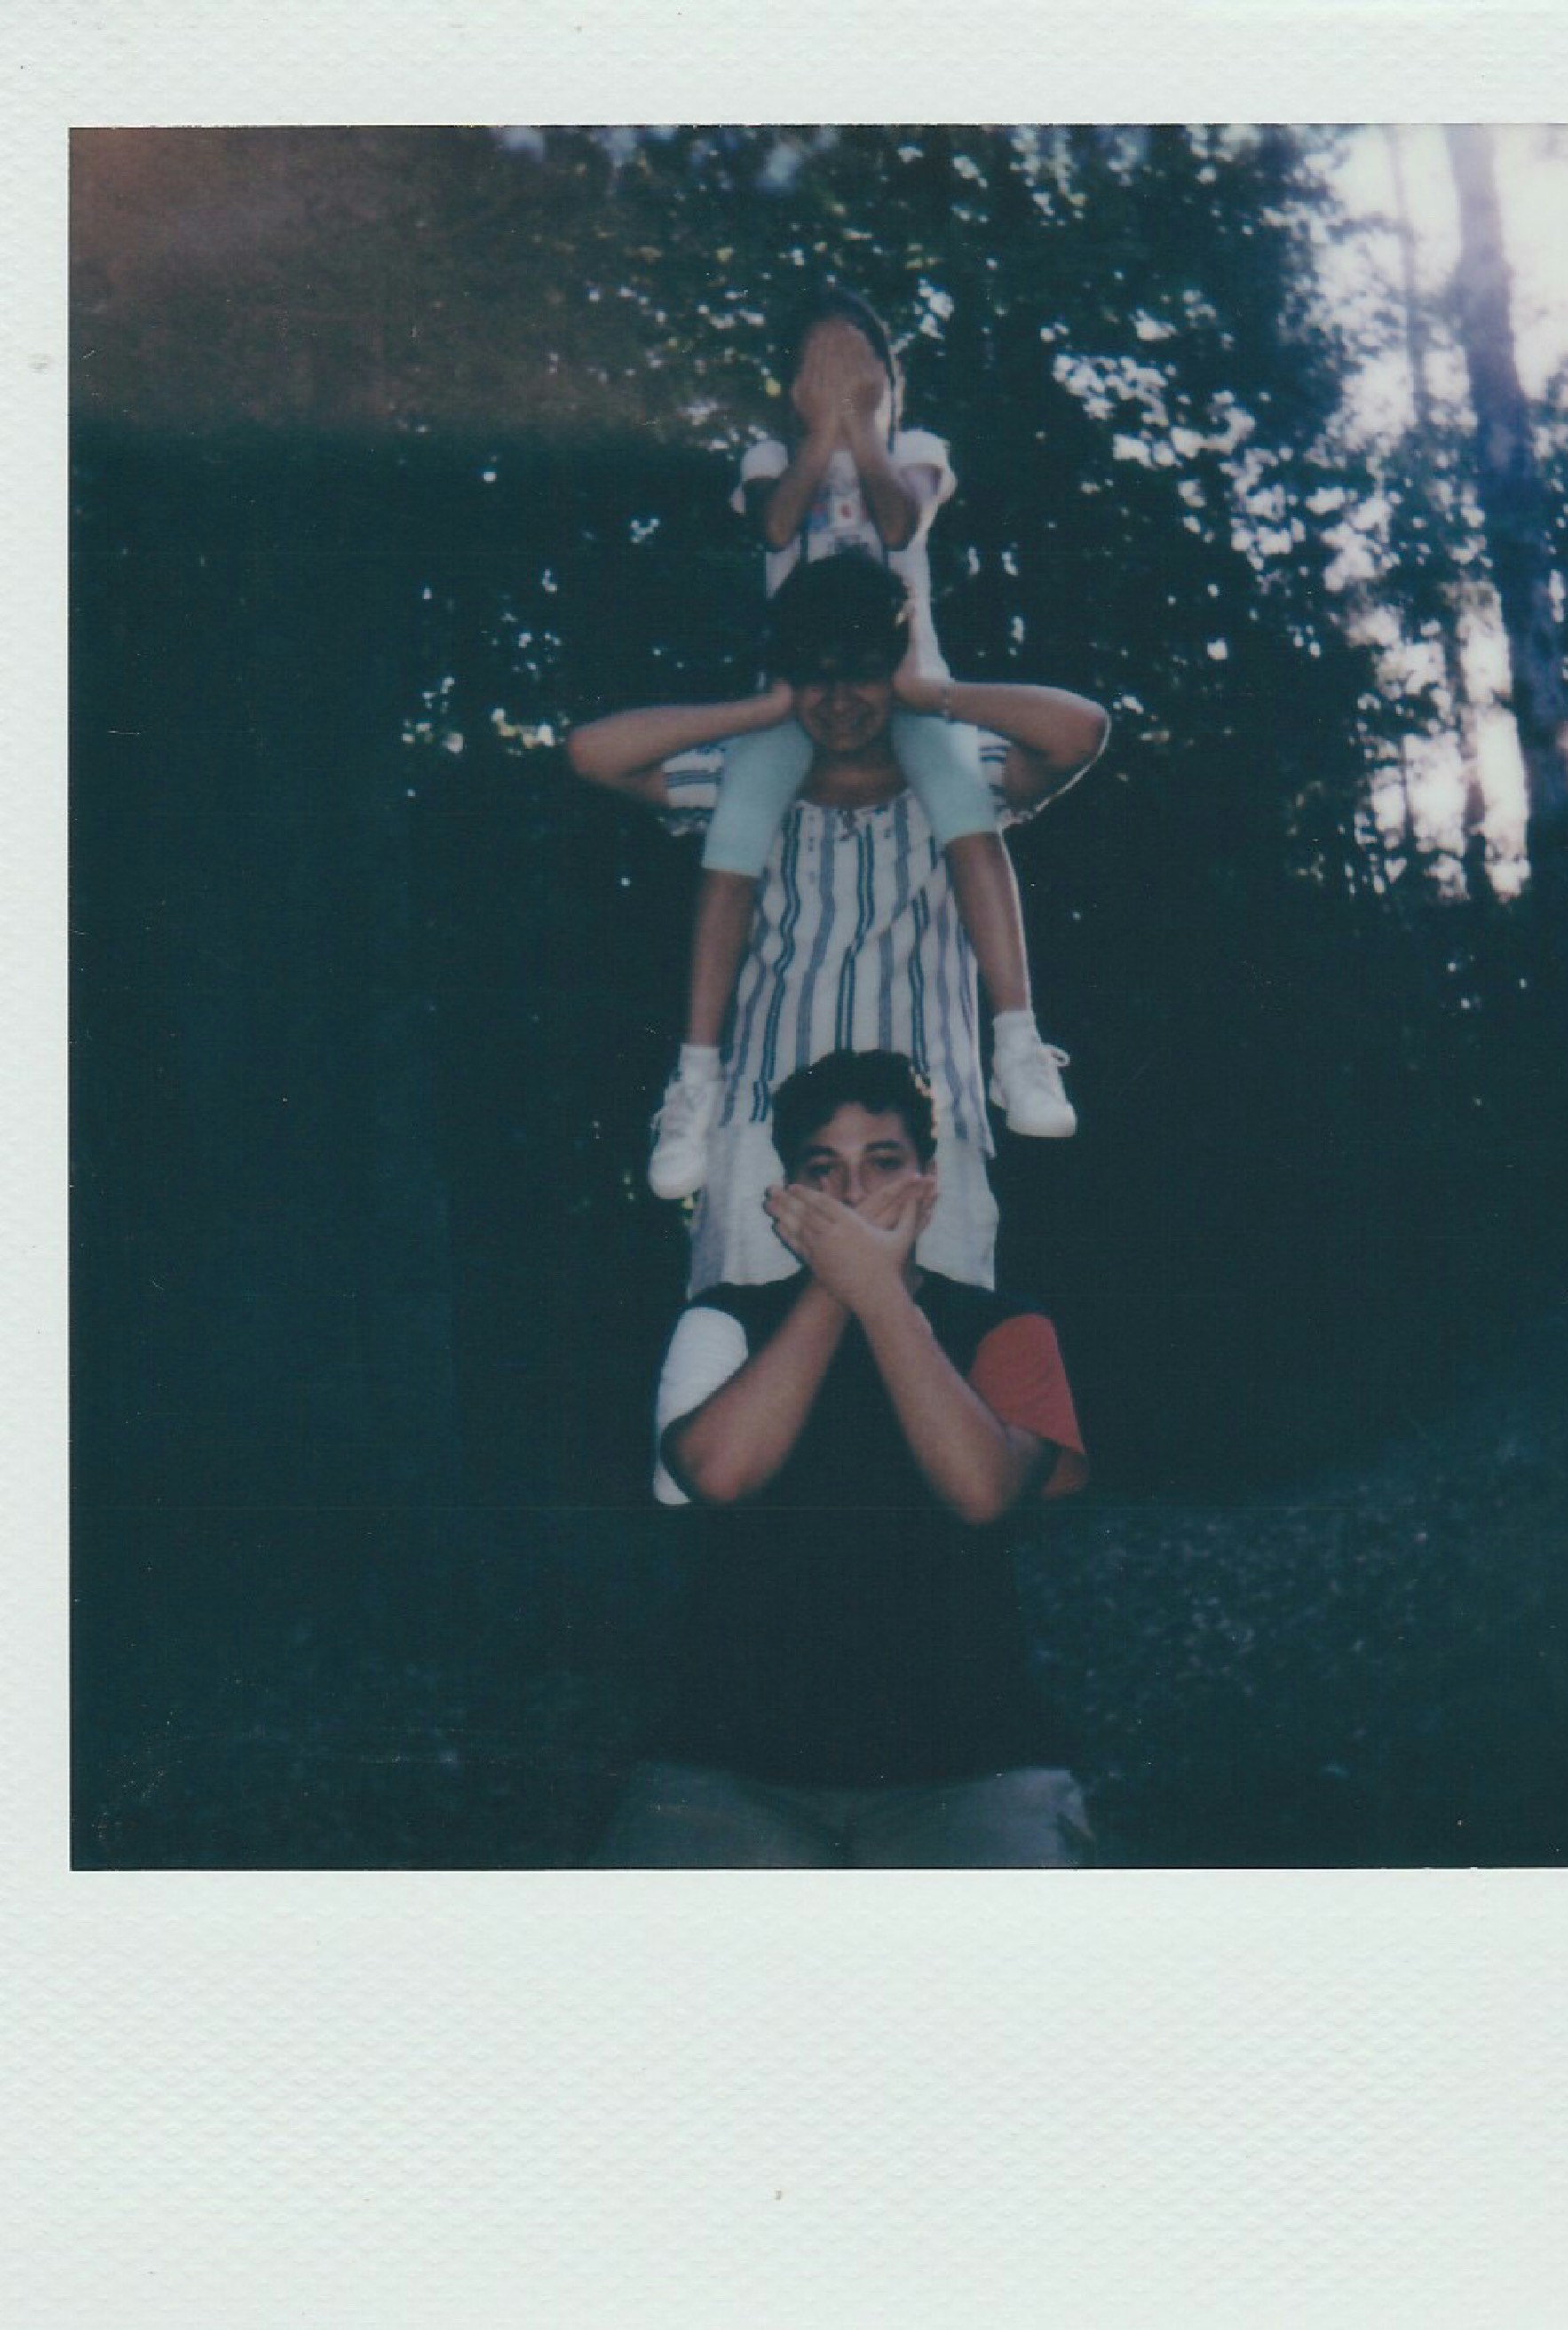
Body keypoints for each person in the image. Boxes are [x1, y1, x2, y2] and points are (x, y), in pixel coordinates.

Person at [599, 1047, 1095, 1868]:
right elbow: (719, 1473)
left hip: (976, 1768)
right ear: (790, 1189)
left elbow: (982, 1491)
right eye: (822, 1169)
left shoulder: (1009, 1326)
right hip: (728, 1765)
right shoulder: (721, 1319)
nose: (854, 1193)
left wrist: (875, 1291)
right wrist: (843, 1283)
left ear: (930, 1181)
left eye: (884, 1163)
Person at [567, 551, 1109, 1296]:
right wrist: (760, 711)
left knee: (929, 1361)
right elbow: (592, 753)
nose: (841, 698)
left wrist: (931, 690)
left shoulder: (962, 775)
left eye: (862, 672)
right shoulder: (742, 779)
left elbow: (1079, 732)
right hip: (763, 1125)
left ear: (892, 670)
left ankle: (1023, 1054)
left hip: (927, 1134)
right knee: (752, 1358)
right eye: (816, 676)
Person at [648, 285, 1079, 1203]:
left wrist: (866, 429)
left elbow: (897, 521)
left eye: (861, 367)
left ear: (891, 380)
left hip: (909, 688)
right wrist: (819, 433)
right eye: (822, 366)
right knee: (733, 843)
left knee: (969, 818)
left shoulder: (918, 452)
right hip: (795, 696)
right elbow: (773, 523)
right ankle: (693, 1080)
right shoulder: (773, 455)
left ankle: (1017, 1043)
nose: (842, 383)